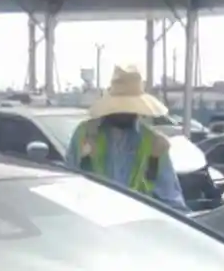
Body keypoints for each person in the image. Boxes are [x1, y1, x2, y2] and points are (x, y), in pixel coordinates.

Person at [66, 65, 186, 211]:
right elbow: (68, 182)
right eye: (120, 108)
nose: (124, 112)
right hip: (92, 222)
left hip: (136, 226)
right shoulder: (84, 134)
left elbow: (170, 198)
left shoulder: (154, 143)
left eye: (129, 108)